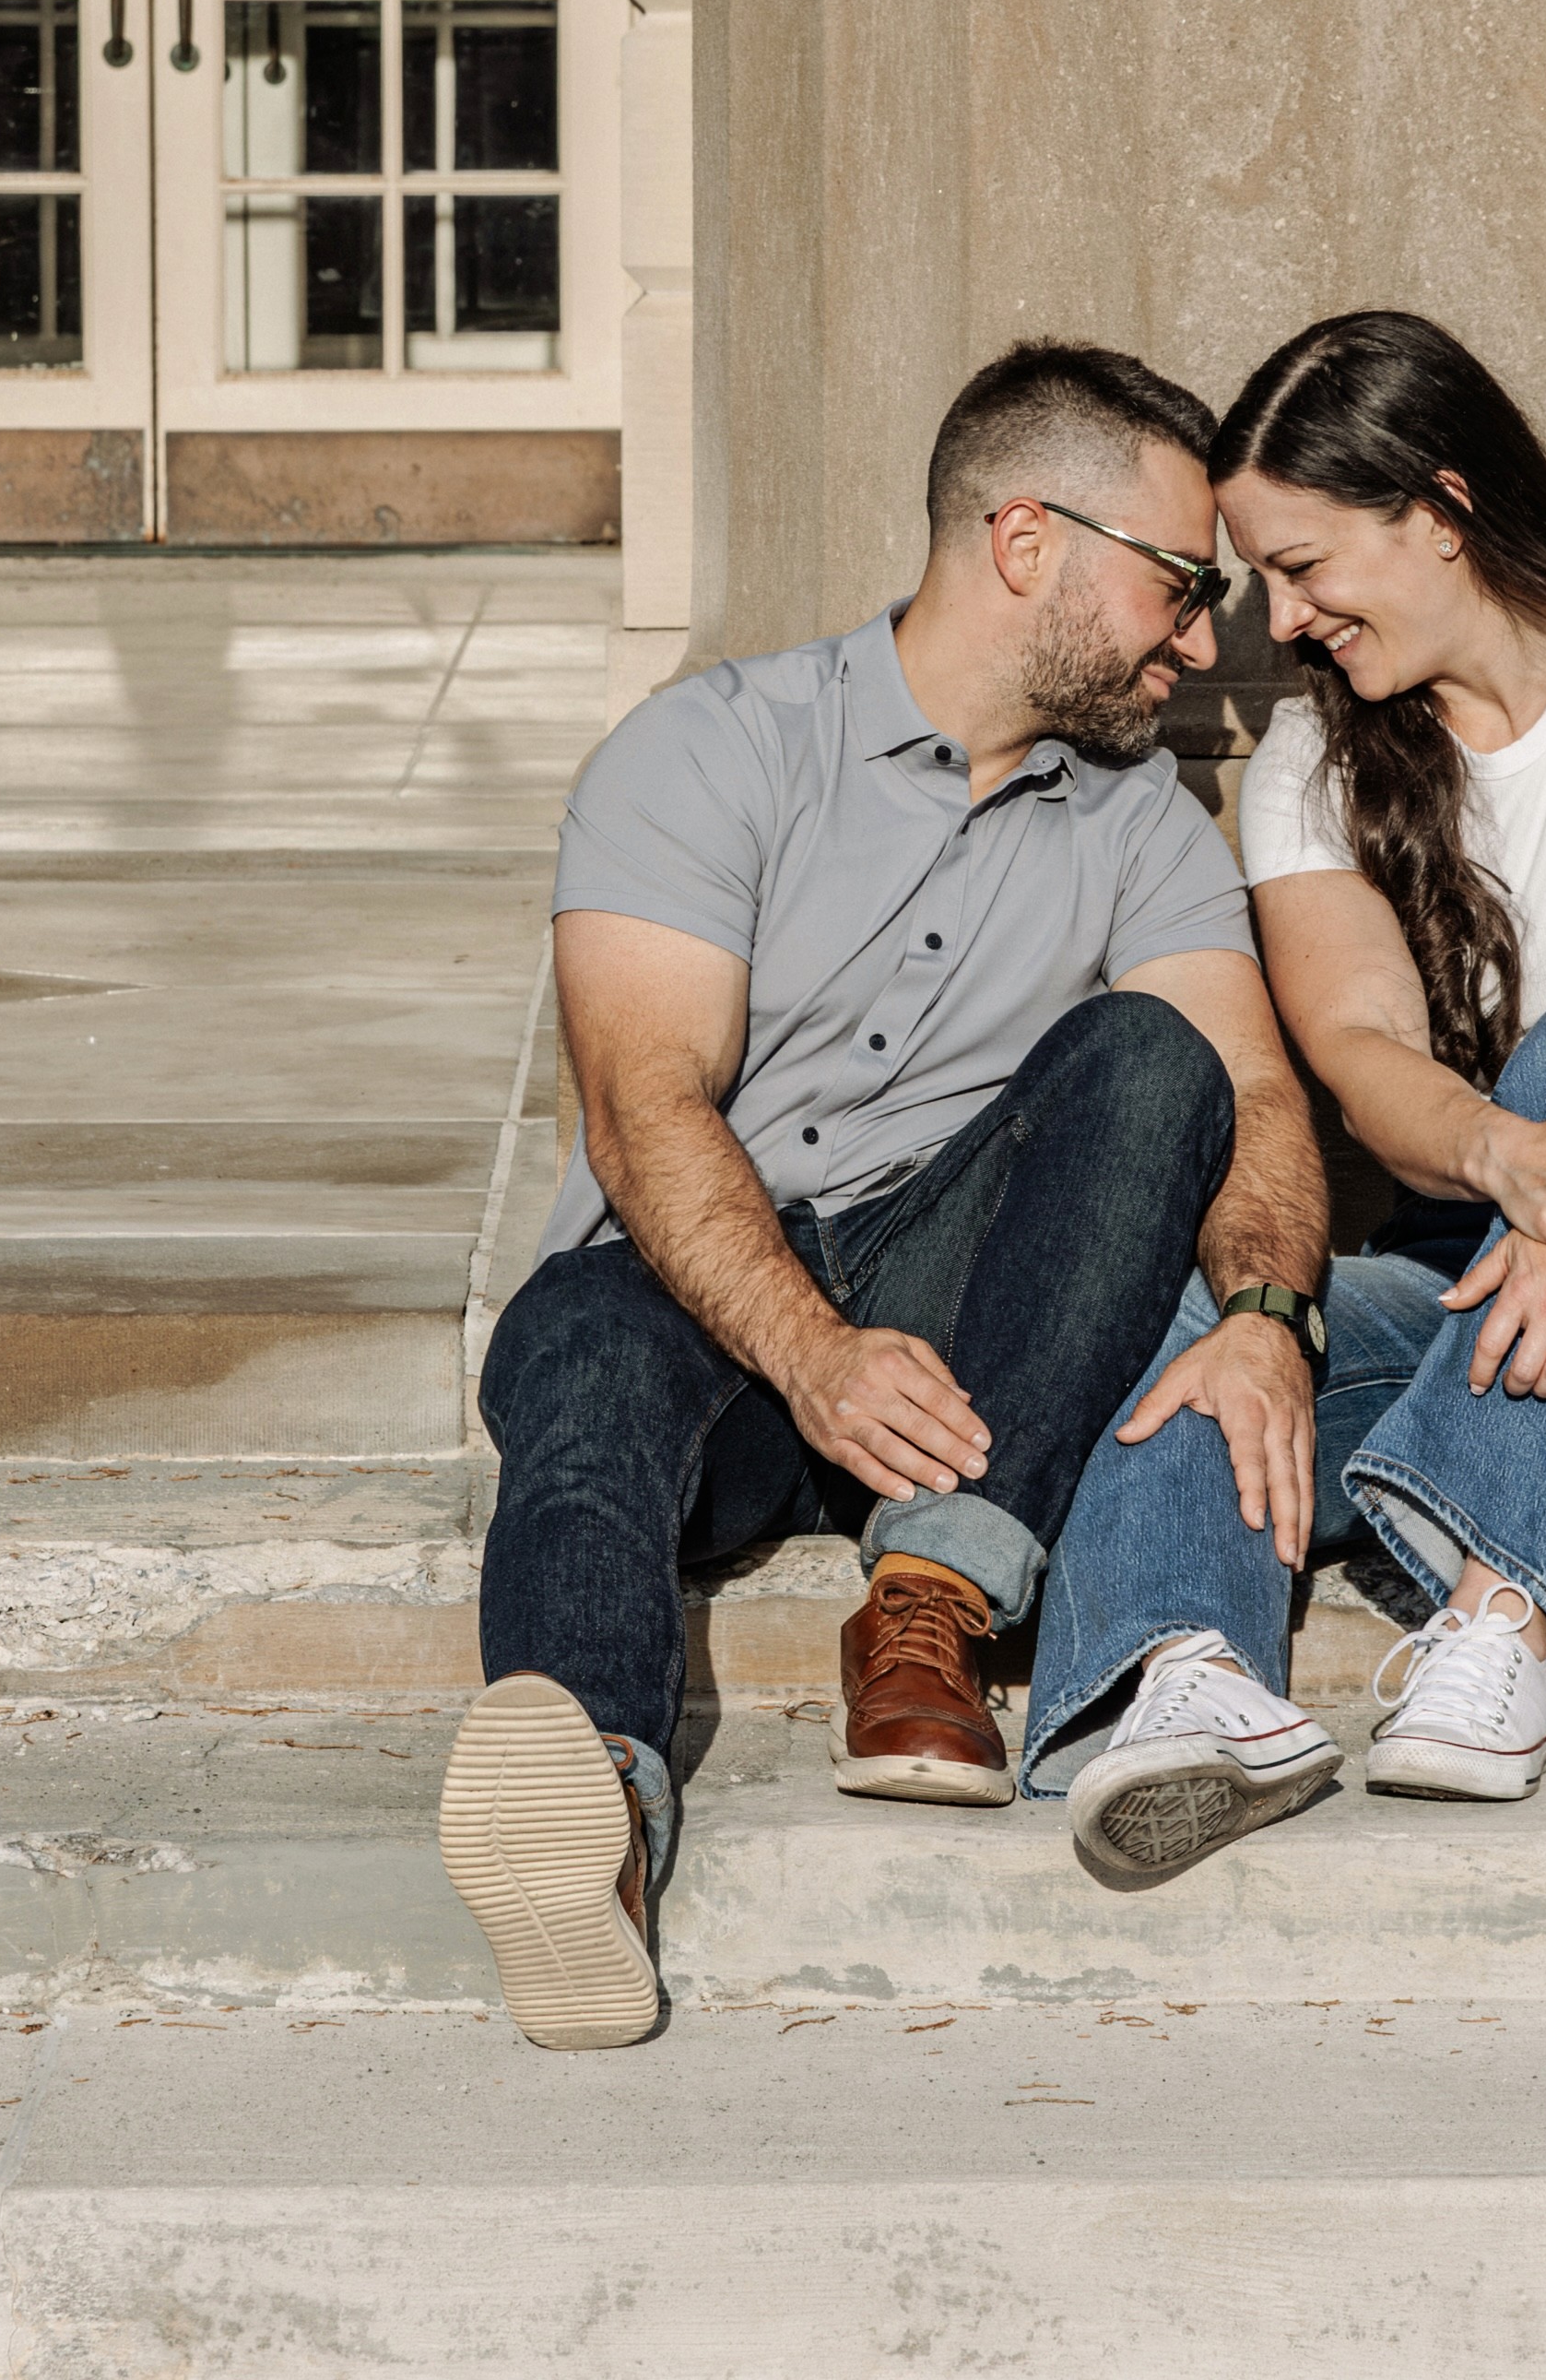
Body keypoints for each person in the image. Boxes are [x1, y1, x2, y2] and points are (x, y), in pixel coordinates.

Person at [441, 340, 1334, 2046]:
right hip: (700, 1312)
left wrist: (1270, 1318)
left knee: (1160, 1056)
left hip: (960, 1350)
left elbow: (1263, 1095)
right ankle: (594, 1815)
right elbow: (642, 1109)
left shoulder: (1144, 822)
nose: (1200, 641)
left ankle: (929, 1607)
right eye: (1180, 583)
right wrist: (807, 1351)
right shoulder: (711, 750)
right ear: (1026, 541)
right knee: (585, 1349)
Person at [1024, 308, 1546, 1881]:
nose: (1283, 620)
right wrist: (1516, 1170)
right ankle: (1189, 1681)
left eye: (1303, 566)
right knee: (1219, 1319)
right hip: (1485, 1300)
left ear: (1440, 510)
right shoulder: (1315, 763)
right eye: (1259, 578)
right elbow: (1360, 1056)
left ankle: (1497, 1624)